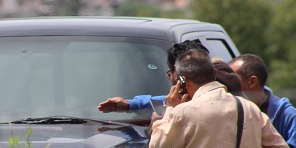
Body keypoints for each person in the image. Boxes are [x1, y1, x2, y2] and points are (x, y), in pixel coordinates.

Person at [149, 49, 289, 148]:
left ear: (183, 81)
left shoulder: (184, 112)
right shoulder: (249, 108)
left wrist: (171, 109)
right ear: (214, 73)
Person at [97, 40, 241, 113]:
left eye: (169, 74)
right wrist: (130, 104)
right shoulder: (239, 100)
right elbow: (162, 101)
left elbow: (161, 147)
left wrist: (171, 111)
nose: (171, 80)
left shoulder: (191, 111)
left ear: (180, 73)